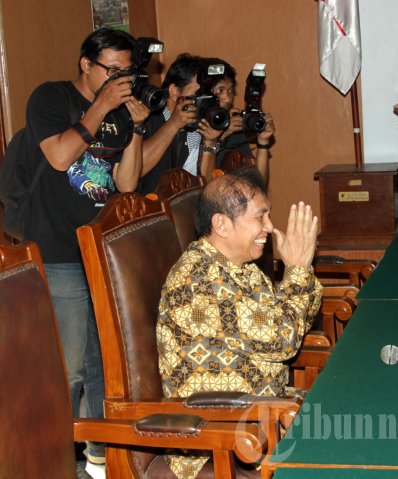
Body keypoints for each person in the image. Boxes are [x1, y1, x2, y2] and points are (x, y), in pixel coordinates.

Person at [23, 28, 150, 477]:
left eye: (126, 72)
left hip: (99, 248)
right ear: (86, 64)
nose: (119, 80)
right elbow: (60, 157)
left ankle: (99, 459)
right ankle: (53, 462)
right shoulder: (50, 98)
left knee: (105, 363)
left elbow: (127, 183)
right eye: (111, 70)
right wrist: (101, 105)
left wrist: (136, 128)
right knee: (70, 367)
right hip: (57, 247)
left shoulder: (119, 112)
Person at [156, 169, 322, 478]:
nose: (269, 227)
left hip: (262, 413)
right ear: (222, 224)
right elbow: (285, 340)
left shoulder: (238, 266)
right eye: (260, 217)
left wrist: (300, 271)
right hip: (222, 433)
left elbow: (297, 320)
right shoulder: (201, 283)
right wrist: (297, 271)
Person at [137, 53, 223, 193]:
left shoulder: (201, 122)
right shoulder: (146, 118)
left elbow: (208, 189)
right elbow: (136, 170)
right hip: (148, 204)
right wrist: (174, 124)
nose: (203, 99)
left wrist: (210, 142)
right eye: (198, 93)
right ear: (174, 92)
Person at [209, 59, 275, 181]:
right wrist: (221, 136)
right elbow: (203, 182)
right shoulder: (195, 128)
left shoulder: (234, 127)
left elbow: (259, 183)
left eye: (230, 90)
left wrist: (263, 141)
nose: (228, 98)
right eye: (220, 91)